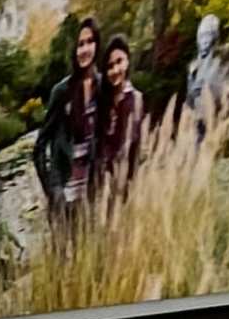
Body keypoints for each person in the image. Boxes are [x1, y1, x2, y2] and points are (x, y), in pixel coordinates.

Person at [36, 19, 104, 213]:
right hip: (64, 195)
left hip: (92, 197)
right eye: (80, 44)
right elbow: (40, 145)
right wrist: (51, 190)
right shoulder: (62, 90)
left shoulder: (104, 87)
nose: (85, 49)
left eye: (90, 42)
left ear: (98, 45)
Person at [89, 36, 152, 200]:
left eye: (119, 61)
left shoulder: (136, 99)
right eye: (110, 66)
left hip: (126, 186)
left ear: (128, 61)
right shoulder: (102, 101)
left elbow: (134, 144)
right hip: (101, 186)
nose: (116, 70)